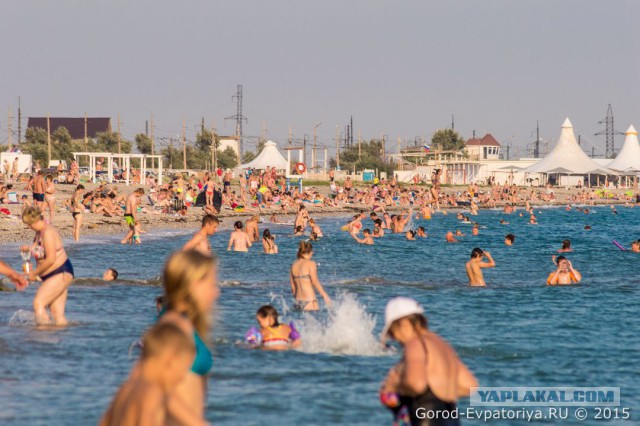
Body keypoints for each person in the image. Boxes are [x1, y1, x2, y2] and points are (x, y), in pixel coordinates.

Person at [379, 297, 477, 426]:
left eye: (392, 332)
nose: (394, 338)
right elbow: (469, 385)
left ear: (404, 324)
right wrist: (437, 391)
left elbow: (416, 384)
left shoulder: (415, 344)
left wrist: (397, 384)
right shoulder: (442, 344)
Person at [157, 250, 219, 424]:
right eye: (212, 284)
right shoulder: (174, 326)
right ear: (193, 284)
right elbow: (155, 388)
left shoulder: (181, 321)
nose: (216, 292)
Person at [100, 323, 199, 426]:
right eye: (183, 369)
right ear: (170, 360)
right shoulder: (153, 393)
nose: (182, 377)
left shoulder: (126, 388)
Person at [21, 207, 74, 325]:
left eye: (30, 224)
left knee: (38, 303)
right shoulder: (39, 232)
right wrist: (28, 252)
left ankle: (41, 338)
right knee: (57, 315)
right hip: (51, 275)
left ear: (35, 220)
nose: (29, 227)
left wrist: (34, 273)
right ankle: (56, 341)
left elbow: (50, 259)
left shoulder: (48, 232)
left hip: (60, 272)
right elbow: (40, 252)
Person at [290, 241, 332, 311]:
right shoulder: (311, 264)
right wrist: (324, 295)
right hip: (309, 301)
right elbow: (315, 281)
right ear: (310, 252)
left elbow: (293, 288)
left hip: (297, 302)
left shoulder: (293, 265)